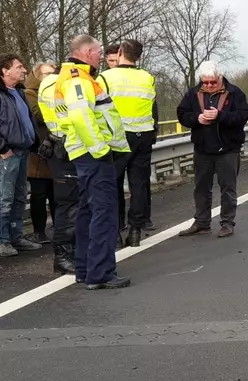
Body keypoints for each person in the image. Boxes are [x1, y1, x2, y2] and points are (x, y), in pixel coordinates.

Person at [54, 35, 131, 289]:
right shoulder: (79, 78)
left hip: (83, 153)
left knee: (88, 212)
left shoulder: (76, 76)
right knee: (104, 212)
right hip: (92, 154)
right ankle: (101, 273)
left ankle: (86, 268)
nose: (101, 56)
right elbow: (81, 116)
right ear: (87, 52)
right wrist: (100, 150)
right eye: (98, 52)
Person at [176, 60, 248, 238]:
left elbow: (242, 115)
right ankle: (202, 223)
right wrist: (197, 119)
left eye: (212, 82)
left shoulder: (235, 93)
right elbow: (182, 113)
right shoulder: (193, 93)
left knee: (228, 189)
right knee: (201, 188)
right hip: (203, 148)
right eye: (205, 82)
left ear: (220, 77)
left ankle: (227, 223)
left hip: (228, 148)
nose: (209, 85)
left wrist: (220, 116)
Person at [98, 39, 158, 247]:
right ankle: (135, 231)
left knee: (112, 185)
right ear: (139, 57)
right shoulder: (147, 77)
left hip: (117, 138)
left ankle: (114, 232)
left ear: (121, 52)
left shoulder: (105, 77)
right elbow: (151, 105)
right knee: (139, 185)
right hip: (143, 135)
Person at [0, 53, 42, 257]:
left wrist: (34, 143)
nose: (23, 70)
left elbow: (27, 120)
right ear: (4, 71)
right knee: (4, 198)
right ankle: (3, 240)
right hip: (7, 154)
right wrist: (2, 149)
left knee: (18, 197)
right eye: (18, 67)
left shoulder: (19, 93)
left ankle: (15, 237)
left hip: (22, 151)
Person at [39, 63, 78, 274]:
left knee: (71, 204)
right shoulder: (61, 84)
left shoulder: (53, 83)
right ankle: (63, 255)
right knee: (69, 205)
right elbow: (69, 119)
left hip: (63, 147)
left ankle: (68, 252)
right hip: (66, 149)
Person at [24, 61, 57, 245]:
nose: (50, 78)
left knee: (56, 193)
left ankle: (59, 227)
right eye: (46, 74)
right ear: (37, 76)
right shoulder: (29, 94)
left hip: (55, 147)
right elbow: (38, 116)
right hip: (38, 149)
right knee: (39, 193)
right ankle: (39, 231)